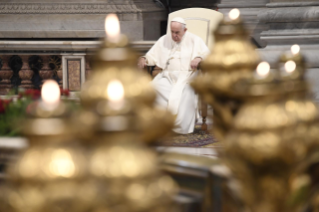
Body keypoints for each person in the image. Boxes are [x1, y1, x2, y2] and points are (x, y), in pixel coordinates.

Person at [138, 17, 210, 134]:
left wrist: (198, 57)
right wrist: (143, 58)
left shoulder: (195, 40)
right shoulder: (164, 39)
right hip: (167, 76)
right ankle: (160, 125)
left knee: (186, 92)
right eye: (172, 32)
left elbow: (207, 54)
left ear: (185, 30)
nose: (174, 35)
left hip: (187, 76)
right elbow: (152, 55)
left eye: (177, 32)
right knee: (153, 88)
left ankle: (180, 128)